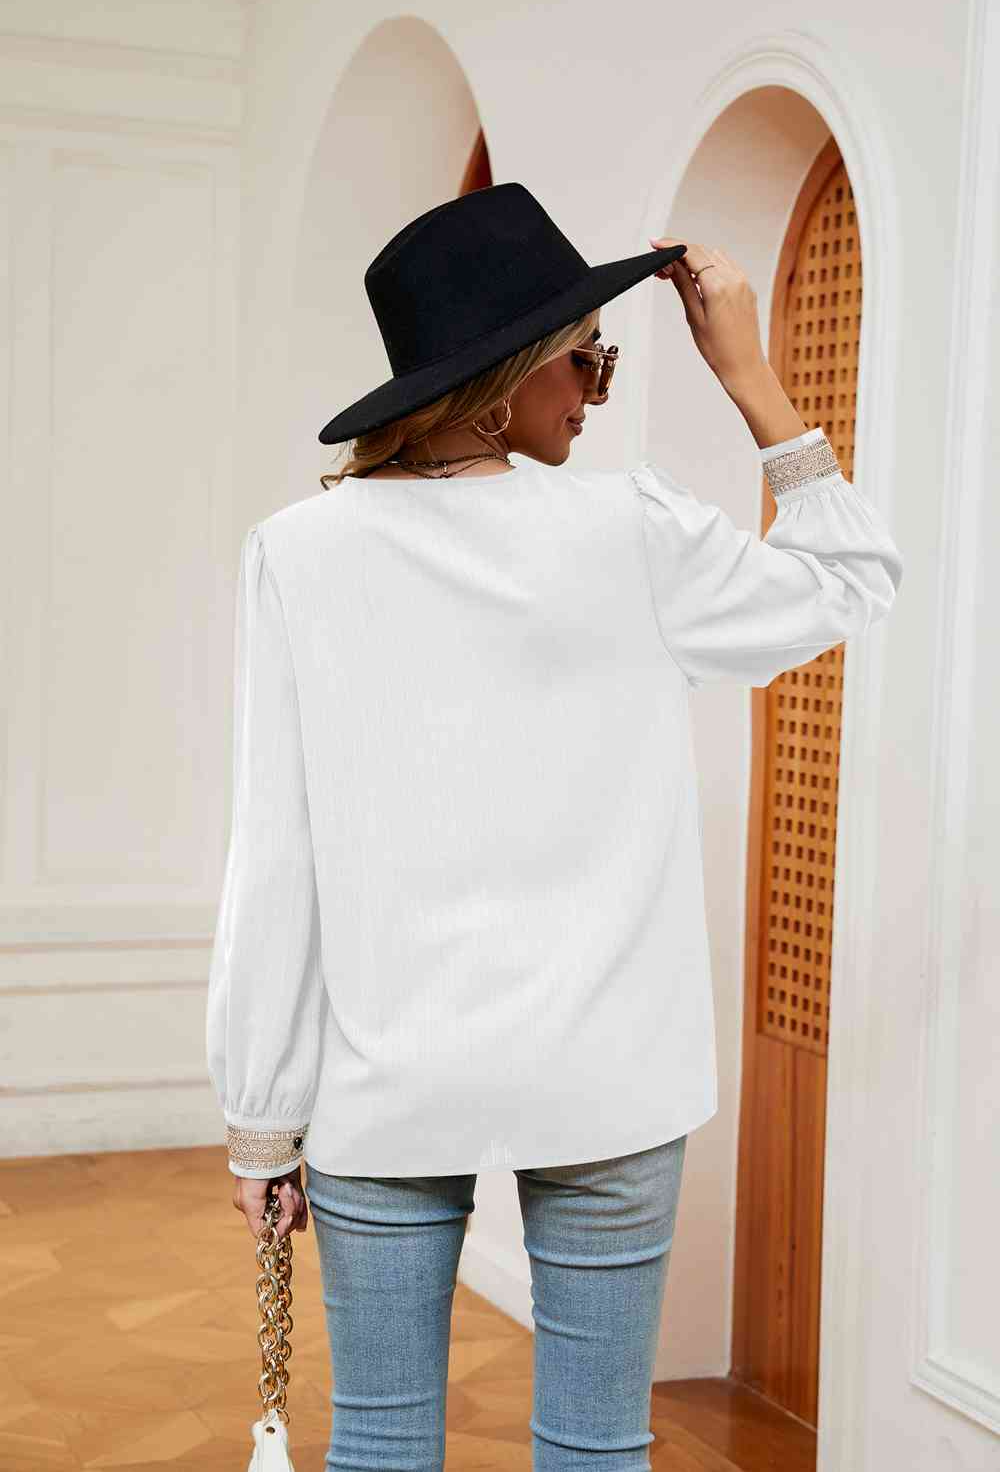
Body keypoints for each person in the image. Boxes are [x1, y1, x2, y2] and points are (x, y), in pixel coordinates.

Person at [206, 183, 903, 1470]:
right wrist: (749, 377)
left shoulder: (298, 552)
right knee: (597, 1448)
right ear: (502, 381)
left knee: (379, 1444)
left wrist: (262, 1116)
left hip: (386, 1074)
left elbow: (275, 852)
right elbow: (850, 579)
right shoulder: (630, 529)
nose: (596, 386)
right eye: (586, 357)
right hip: (610, 1071)